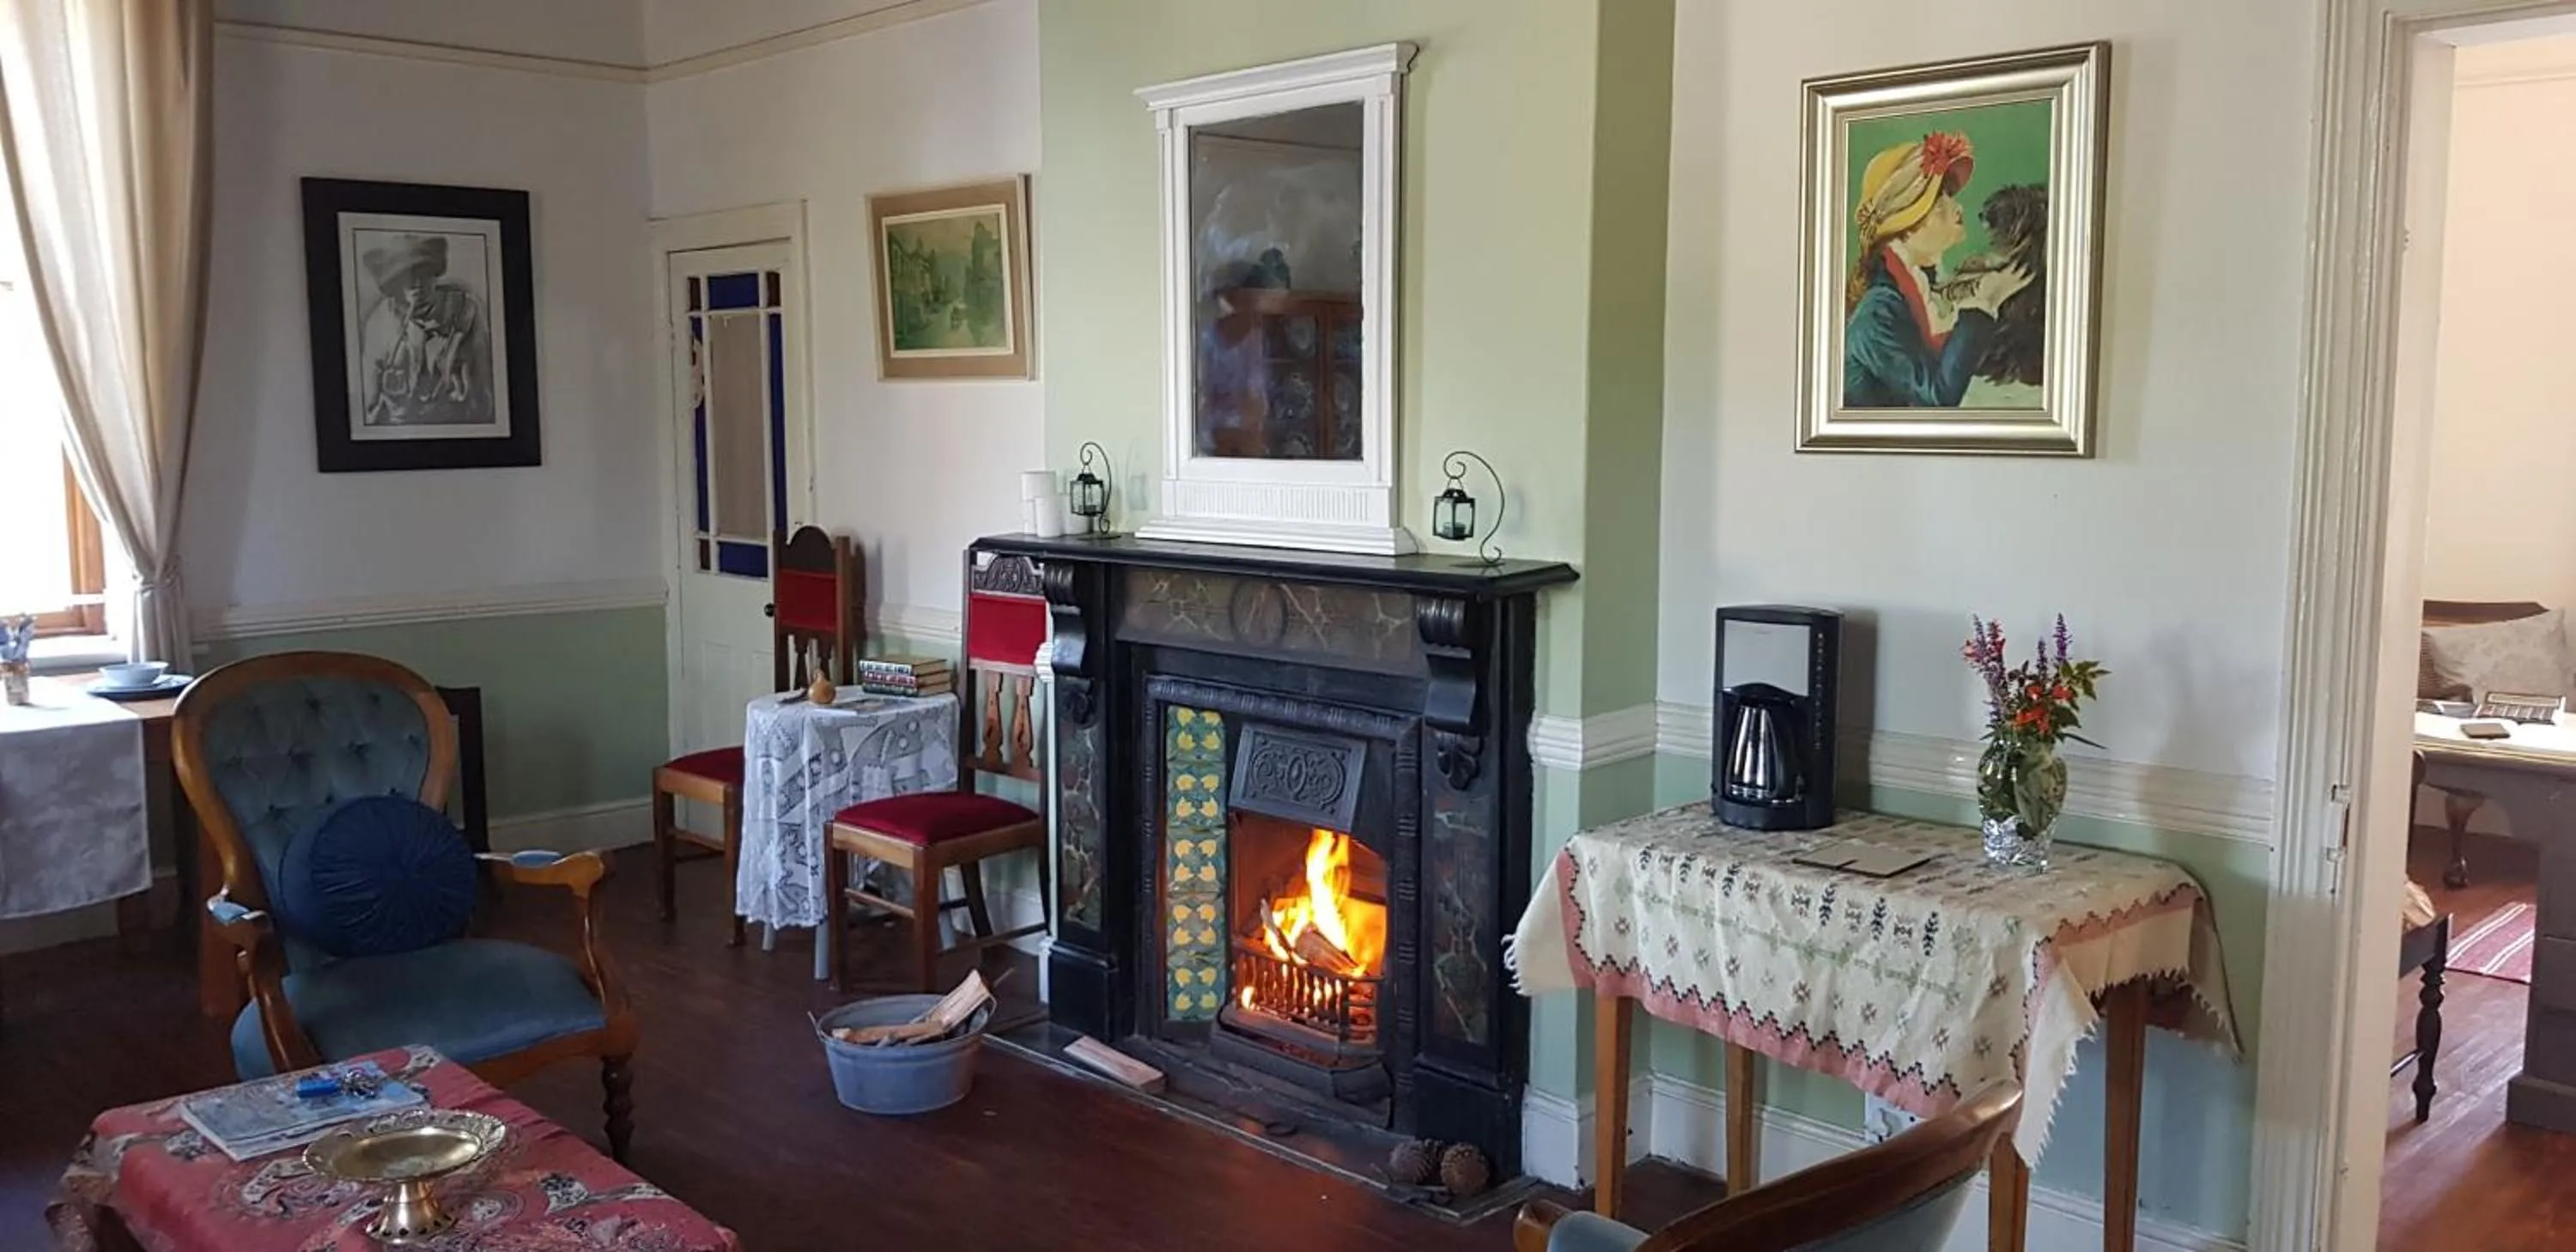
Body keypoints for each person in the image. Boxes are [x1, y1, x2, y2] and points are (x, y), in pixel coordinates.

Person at [1843, 132, 2031, 409]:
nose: (1957, 208)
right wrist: (1985, 300)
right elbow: (1937, 398)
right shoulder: (1877, 312)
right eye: (1940, 203)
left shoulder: (1924, 292)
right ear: (1906, 226)